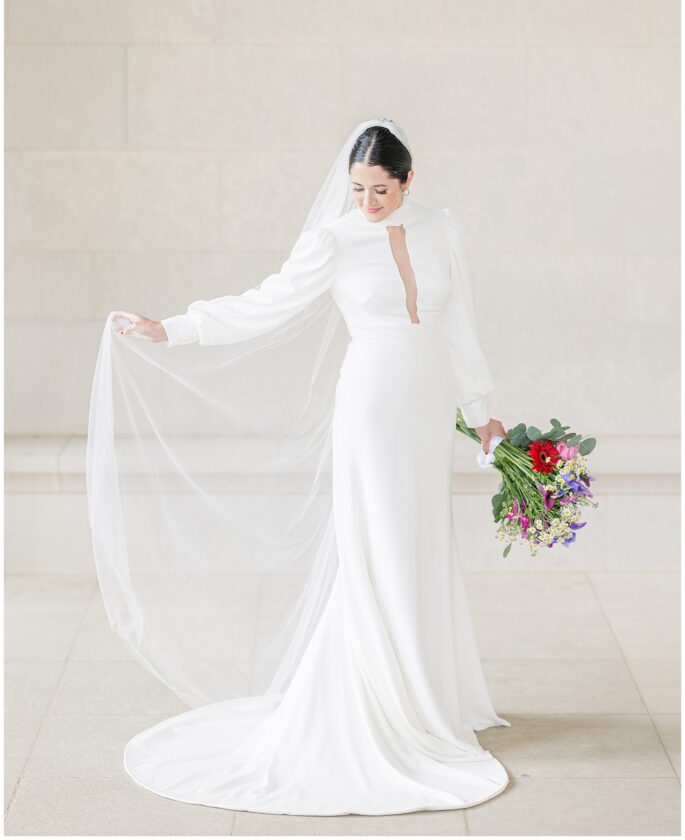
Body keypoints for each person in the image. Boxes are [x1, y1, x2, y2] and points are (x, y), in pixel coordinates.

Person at [86, 117, 511, 816]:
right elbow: (267, 301)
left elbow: (457, 320)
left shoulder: (441, 228)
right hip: (371, 404)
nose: (366, 202)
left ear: (407, 182)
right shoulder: (334, 240)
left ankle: (424, 696)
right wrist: (175, 328)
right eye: (356, 189)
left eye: (379, 190)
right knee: (376, 547)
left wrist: (481, 406)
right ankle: (375, 700)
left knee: (421, 544)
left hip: (427, 403)